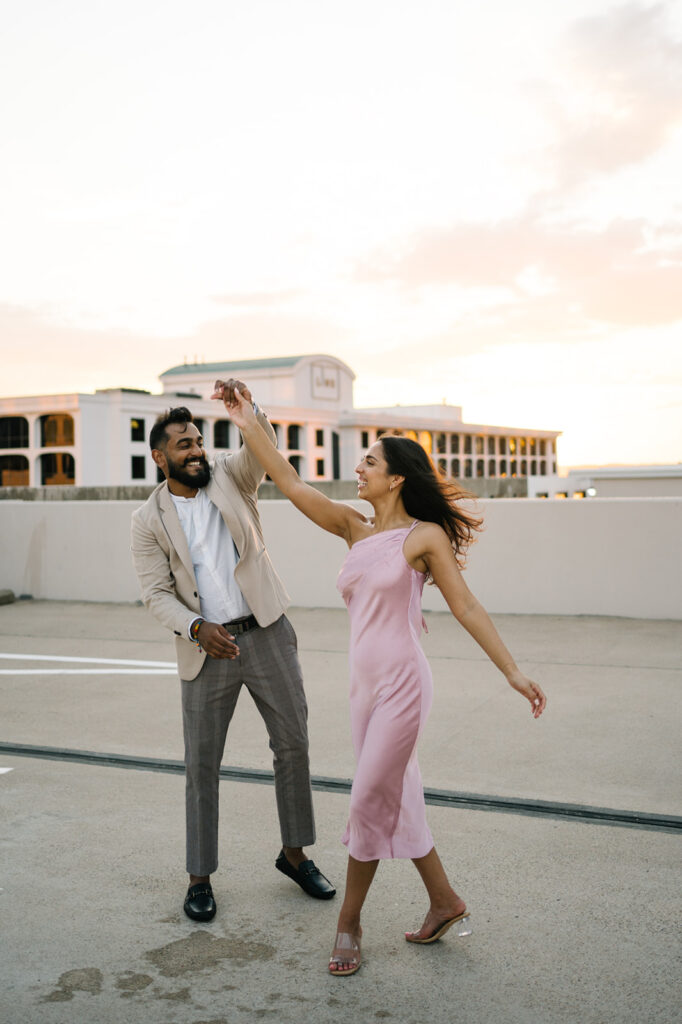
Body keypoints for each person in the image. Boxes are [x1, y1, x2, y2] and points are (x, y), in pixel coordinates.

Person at [221, 384, 547, 977]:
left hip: (403, 685)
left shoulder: (423, 537)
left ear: (396, 478)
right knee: (400, 797)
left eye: (370, 461)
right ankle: (445, 901)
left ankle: (348, 923)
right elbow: (291, 483)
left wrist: (512, 671)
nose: (360, 468)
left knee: (371, 795)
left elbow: (467, 607)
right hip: (362, 691)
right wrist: (248, 423)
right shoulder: (353, 527)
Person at [130, 379, 335, 923]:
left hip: (265, 629)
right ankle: (200, 876)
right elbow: (155, 595)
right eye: (182, 444)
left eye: (197, 440)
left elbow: (261, 451)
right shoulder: (147, 520)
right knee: (203, 765)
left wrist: (249, 413)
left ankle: (295, 855)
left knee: (293, 744)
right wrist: (197, 628)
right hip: (206, 649)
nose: (196, 450)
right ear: (160, 457)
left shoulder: (230, 476)